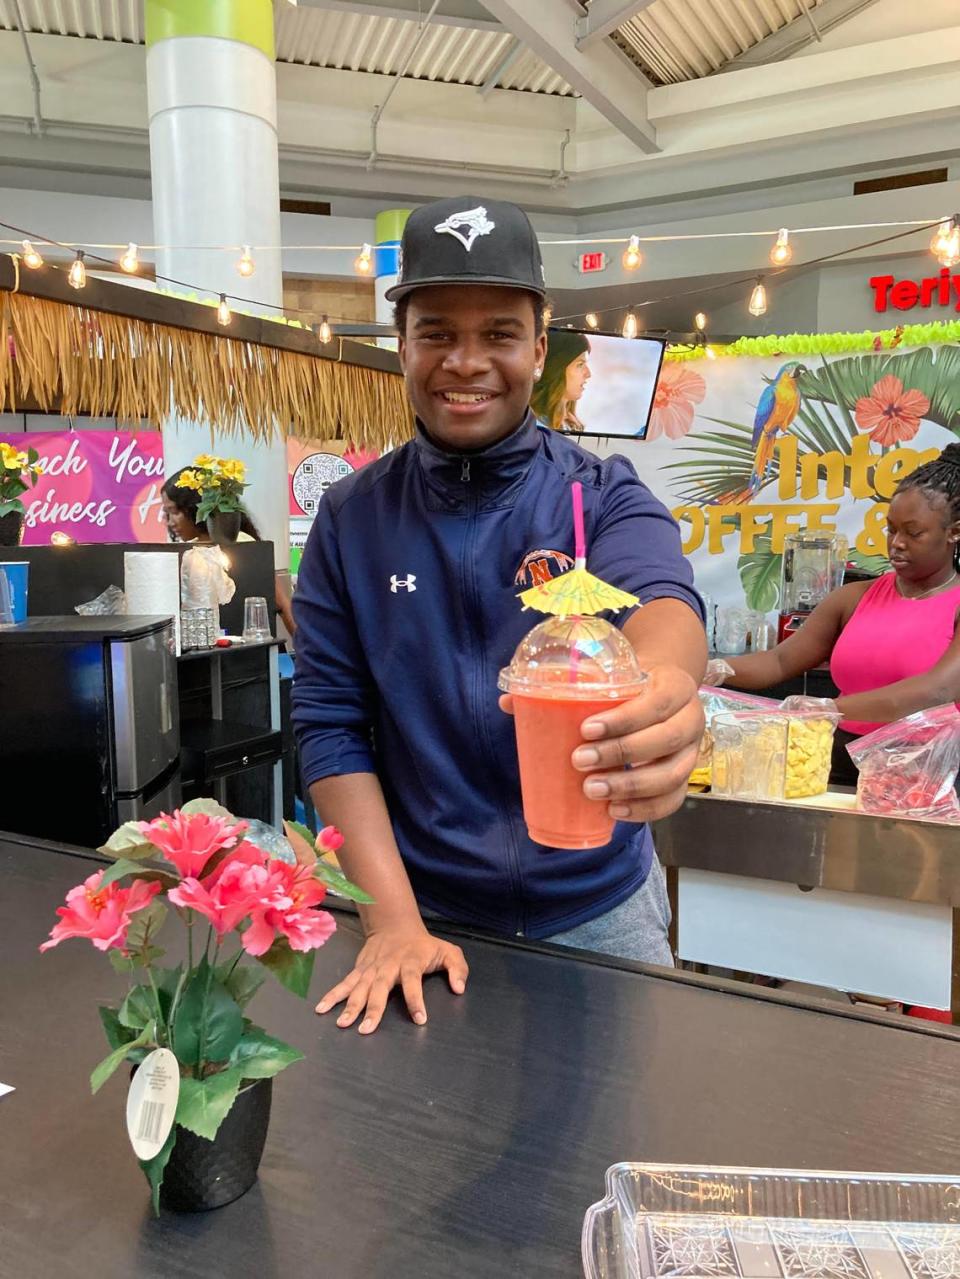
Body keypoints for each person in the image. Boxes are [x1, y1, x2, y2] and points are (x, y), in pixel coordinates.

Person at [291, 196, 706, 1035]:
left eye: (499, 334)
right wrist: (392, 919)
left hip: (603, 911)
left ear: (538, 348)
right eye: (438, 332)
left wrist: (662, 691)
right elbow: (330, 723)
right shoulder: (350, 519)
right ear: (402, 344)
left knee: (624, 1140)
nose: (467, 362)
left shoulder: (598, 494)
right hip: (425, 919)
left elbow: (666, 603)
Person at [720, 444, 960, 785]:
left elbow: (936, 691)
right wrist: (715, 669)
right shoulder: (851, 598)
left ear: (954, 532)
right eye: (891, 529)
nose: (896, 544)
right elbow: (779, 662)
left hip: (926, 775)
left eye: (913, 532)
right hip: (838, 764)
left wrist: (830, 708)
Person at [161, 468, 297, 636]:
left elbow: (282, 604)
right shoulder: (190, 553)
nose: (169, 522)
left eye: (174, 512)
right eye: (166, 513)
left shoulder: (243, 544)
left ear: (197, 507)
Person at [530, 329, 591, 432]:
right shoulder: (534, 429)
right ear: (556, 368)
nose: (588, 374)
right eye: (580, 364)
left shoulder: (569, 425)